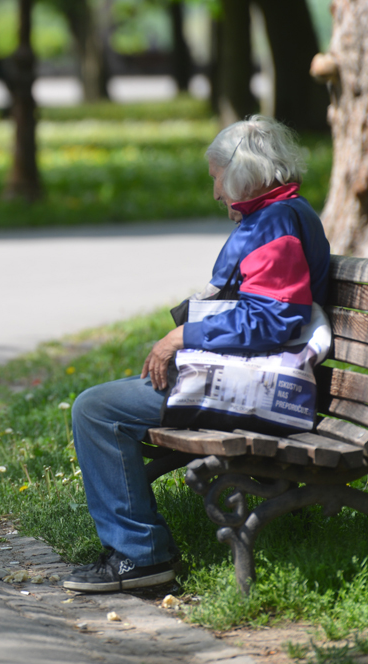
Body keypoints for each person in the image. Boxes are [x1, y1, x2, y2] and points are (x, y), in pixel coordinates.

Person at [63, 115, 331, 593]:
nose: (215, 193)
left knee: (95, 411)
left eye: (217, 179)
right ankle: (135, 546)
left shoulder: (277, 226)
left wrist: (184, 335)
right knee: (112, 400)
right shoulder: (277, 216)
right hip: (256, 377)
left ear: (243, 174)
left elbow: (274, 320)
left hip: (265, 390)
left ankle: (139, 555)